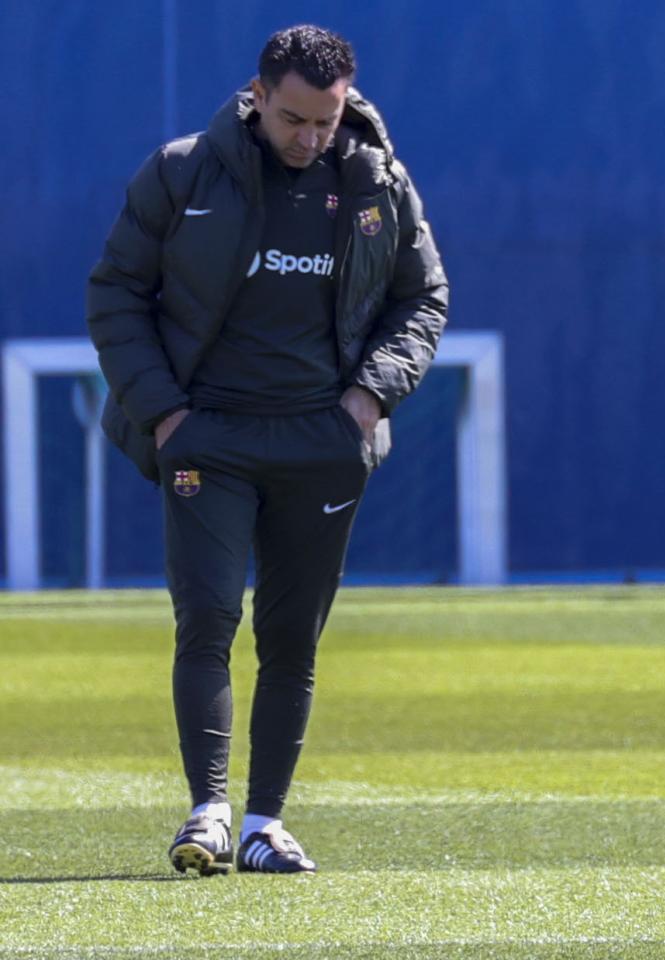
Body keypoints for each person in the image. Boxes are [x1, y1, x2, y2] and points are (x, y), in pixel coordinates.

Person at [86, 24, 448, 875]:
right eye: (294, 120)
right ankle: (207, 813)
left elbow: (423, 297)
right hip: (207, 435)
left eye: (324, 121)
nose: (310, 138)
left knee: (292, 636)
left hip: (322, 441)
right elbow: (116, 293)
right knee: (208, 616)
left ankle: (263, 824)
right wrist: (165, 413)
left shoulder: (376, 179)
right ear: (257, 95)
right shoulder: (181, 171)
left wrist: (367, 399)